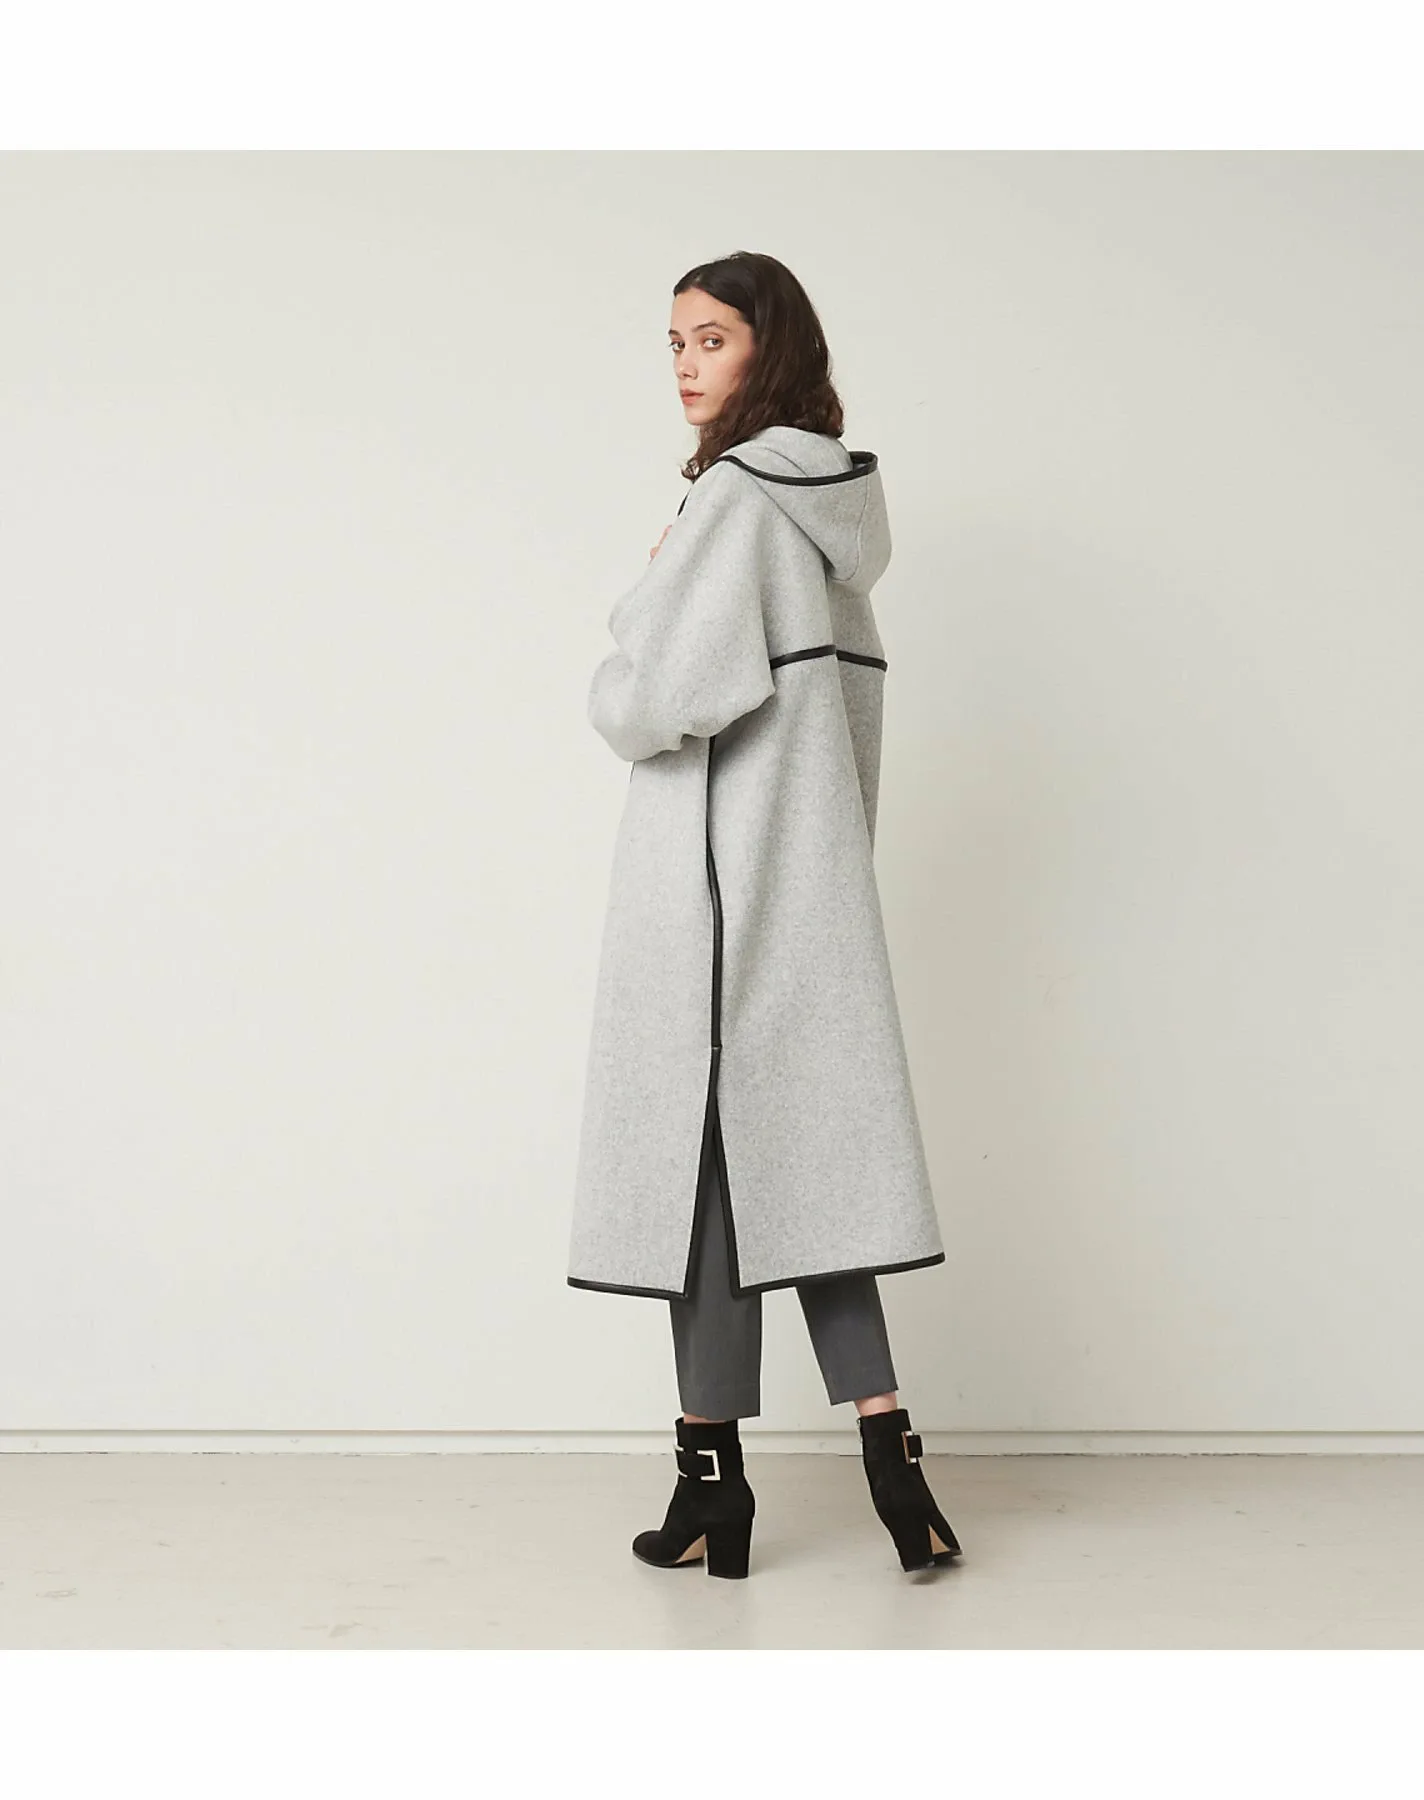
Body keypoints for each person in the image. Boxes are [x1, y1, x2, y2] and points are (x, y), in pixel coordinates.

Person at [567, 250, 962, 1579]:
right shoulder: (834, 511)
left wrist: (626, 649)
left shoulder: (737, 499)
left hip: (715, 883)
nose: (688, 364)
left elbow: (662, 696)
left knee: (706, 1178)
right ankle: (891, 1461)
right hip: (809, 883)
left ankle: (714, 1487)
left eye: (714, 339)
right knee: (806, 1176)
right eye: (676, 341)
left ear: (768, 348)